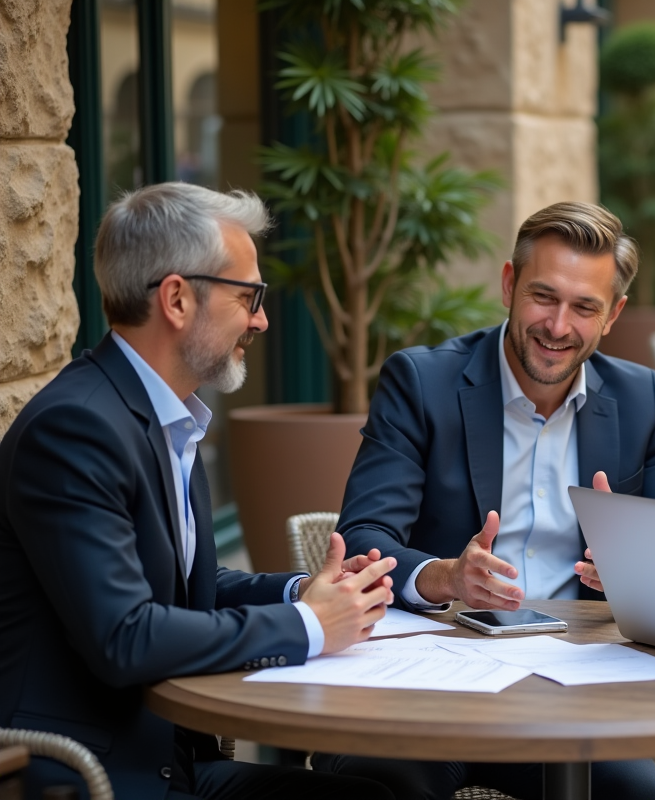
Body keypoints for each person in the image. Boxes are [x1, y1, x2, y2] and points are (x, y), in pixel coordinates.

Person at [313, 201, 655, 800]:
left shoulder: (638, 399)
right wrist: (444, 576)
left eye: (584, 306)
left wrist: (641, 567)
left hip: (572, 691)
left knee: (637, 796)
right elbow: (363, 539)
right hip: (428, 684)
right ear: (509, 285)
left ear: (611, 315)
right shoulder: (421, 383)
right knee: (382, 787)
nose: (558, 326)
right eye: (543, 297)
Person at [0, 183, 399, 800]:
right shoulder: (75, 429)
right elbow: (126, 636)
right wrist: (309, 624)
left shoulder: (164, 417)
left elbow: (188, 588)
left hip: (170, 759)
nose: (262, 319)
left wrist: (309, 593)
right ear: (178, 298)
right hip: (95, 775)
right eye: (249, 296)